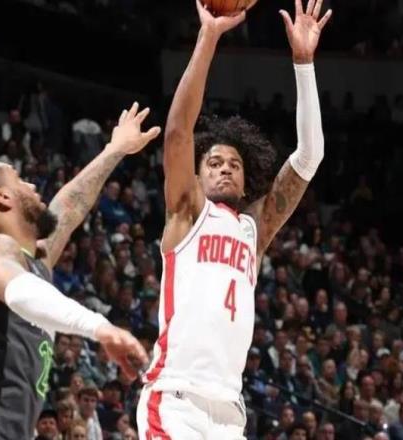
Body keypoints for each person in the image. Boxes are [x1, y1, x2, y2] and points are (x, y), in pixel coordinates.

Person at [137, 0, 331, 437]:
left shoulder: (252, 230)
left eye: (234, 165)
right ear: (197, 176)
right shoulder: (187, 212)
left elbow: (309, 156)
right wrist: (208, 37)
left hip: (229, 411)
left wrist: (303, 64)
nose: (225, 168)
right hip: (176, 398)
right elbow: (178, 132)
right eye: (214, 163)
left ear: (246, 184)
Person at [0, 103, 159, 439]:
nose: (31, 185)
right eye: (19, 179)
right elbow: (20, 291)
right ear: (1, 196)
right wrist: (100, 327)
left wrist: (114, 150)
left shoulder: (31, 262)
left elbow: (69, 208)